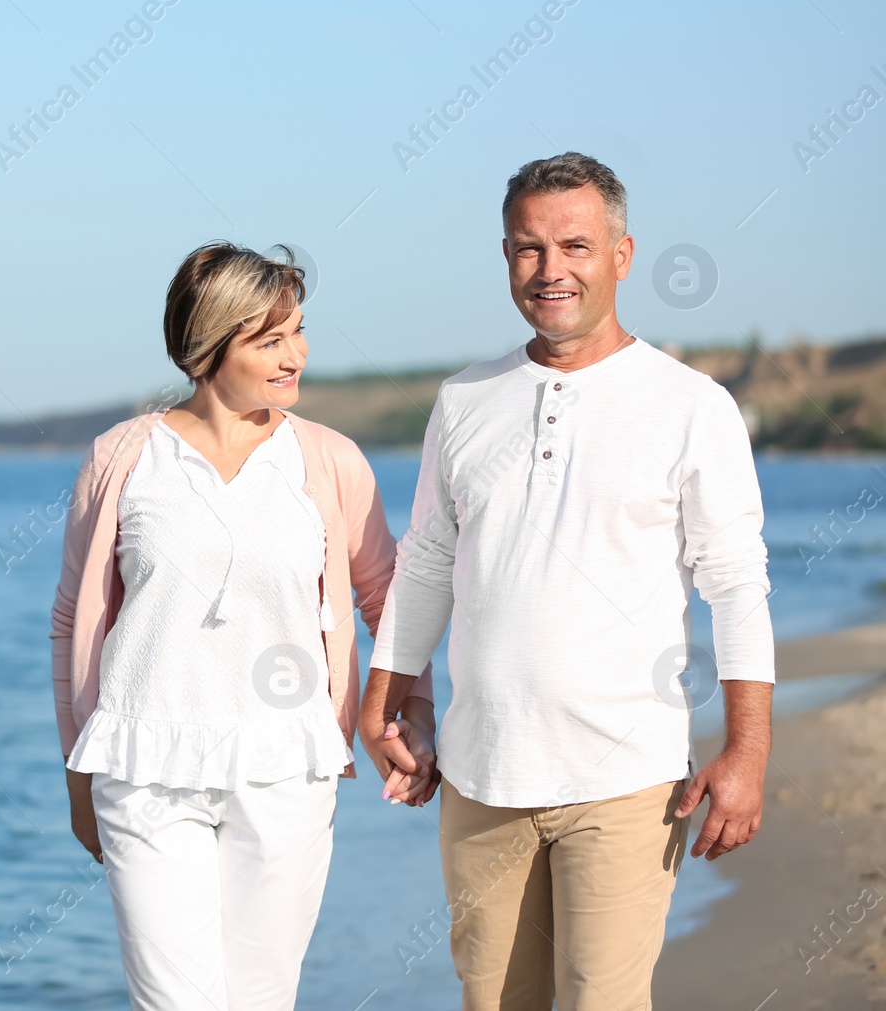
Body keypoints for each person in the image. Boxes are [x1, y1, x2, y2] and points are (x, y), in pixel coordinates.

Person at [360, 152, 775, 1010]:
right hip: (482, 777)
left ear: (622, 254)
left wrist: (749, 750)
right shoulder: (464, 400)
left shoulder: (691, 404)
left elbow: (734, 585)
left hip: (627, 777)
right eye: (527, 249)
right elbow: (429, 560)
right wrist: (383, 695)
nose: (551, 271)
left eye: (576, 247)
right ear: (505, 256)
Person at [49, 241, 437, 1010]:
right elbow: (73, 621)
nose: (296, 354)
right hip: (144, 765)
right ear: (208, 347)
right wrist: (77, 775)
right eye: (270, 339)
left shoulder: (327, 459)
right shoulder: (123, 457)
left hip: (286, 769)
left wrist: (407, 711)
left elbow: (386, 600)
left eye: (297, 331)